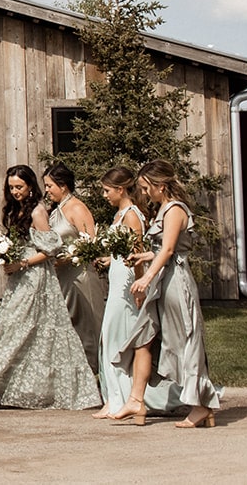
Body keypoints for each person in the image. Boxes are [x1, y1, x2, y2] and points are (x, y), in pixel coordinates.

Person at [0, 165, 101, 410]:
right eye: (11, 187)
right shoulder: (18, 210)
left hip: (35, 278)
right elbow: (11, 244)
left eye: (19, 187)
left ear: (30, 186)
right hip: (19, 279)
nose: (15, 191)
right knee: (11, 330)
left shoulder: (39, 211)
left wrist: (23, 263)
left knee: (17, 330)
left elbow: (50, 249)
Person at [111, 159, 222, 428]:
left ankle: (201, 405)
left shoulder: (174, 210)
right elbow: (164, 250)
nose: (144, 193)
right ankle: (136, 400)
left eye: (146, 187)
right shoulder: (164, 209)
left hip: (175, 281)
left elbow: (171, 250)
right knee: (144, 335)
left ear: (160, 186)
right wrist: (144, 257)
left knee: (185, 337)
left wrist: (147, 276)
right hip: (164, 278)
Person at [94, 165, 181, 418]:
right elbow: (124, 252)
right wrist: (109, 260)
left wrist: (141, 285)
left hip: (128, 282)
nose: (104, 195)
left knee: (117, 336)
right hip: (117, 276)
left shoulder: (132, 214)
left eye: (107, 190)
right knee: (109, 335)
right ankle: (113, 396)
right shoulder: (119, 215)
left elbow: (140, 252)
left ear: (121, 190)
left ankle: (122, 398)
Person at [42, 162, 107, 371]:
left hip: (81, 276)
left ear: (63, 186)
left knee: (87, 325)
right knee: (68, 326)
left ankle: (96, 371)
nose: (46, 190)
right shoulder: (55, 210)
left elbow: (90, 242)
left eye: (49, 185)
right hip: (62, 277)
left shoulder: (77, 208)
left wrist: (68, 258)